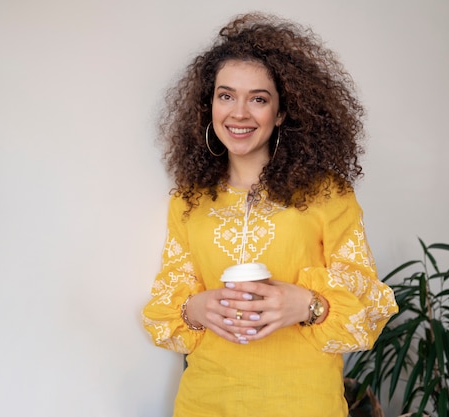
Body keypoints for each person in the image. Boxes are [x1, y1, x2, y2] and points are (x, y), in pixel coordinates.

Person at [141, 12, 398, 417]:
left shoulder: (327, 194)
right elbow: (164, 309)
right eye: (225, 96)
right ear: (209, 106)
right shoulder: (189, 201)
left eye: (258, 99)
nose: (238, 113)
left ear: (280, 113)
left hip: (304, 401)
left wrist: (309, 306)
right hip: (205, 401)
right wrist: (198, 308)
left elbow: (369, 310)